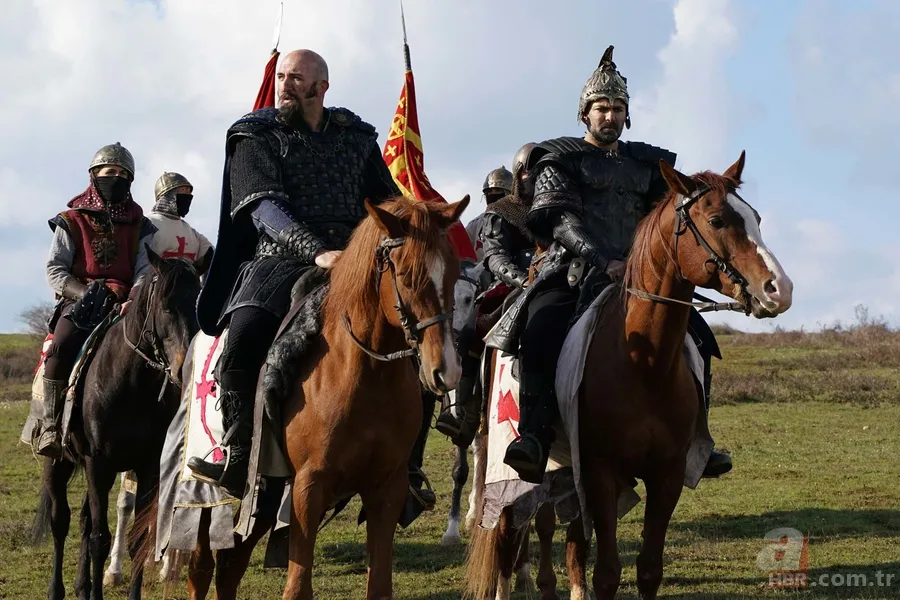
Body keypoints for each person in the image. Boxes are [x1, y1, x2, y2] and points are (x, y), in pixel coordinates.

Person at [188, 49, 437, 513]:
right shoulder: (254, 135)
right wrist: (315, 251)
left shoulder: (354, 137)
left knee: (417, 336)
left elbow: (387, 198)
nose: (284, 84)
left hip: (354, 260)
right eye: (281, 76)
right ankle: (238, 452)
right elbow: (262, 207)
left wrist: (426, 222)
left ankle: (409, 467)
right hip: (277, 260)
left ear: (321, 87)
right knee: (242, 337)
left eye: (295, 77)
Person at [499, 46, 731, 484]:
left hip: (642, 276)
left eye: (618, 108)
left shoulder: (646, 164)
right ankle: (532, 435)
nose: (610, 115)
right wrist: (603, 260)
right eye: (601, 107)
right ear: (584, 114)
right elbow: (562, 222)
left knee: (698, 335)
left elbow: (666, 224)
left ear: (628, 115)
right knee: (541, 326)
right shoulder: (558, 158)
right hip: (573, 271)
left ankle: (698, 438)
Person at [35, 142, 156, 459]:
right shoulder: (71, 219)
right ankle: (50, 425)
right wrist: (83, 292)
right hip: (81, 301)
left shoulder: (140, 223)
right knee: (60, 346)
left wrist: (134, 297)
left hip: (127, 304)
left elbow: (144, 268)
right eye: (109, 172)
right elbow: (55, 270)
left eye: (123, 174)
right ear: (94, 175)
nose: (116, 177)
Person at [436, 144, 540, 447]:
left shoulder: (551, 209)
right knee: (470, 324)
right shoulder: (495, 215)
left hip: (547, 277)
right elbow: (487, 258)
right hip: (501, 280)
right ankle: (460, 409)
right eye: (529, 170)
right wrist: (520, 280)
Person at [146, 172, 214, 276]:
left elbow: (213, 256)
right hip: (153, 287)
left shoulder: (192, 233)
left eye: (189, 192)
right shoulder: (148, 222)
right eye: (183, 190)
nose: (188, 196)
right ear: (167, 196)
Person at [466, 166, 513, 262]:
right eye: (489, 191)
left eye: (498, 190)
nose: (492, 194)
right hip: (482, 274)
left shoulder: (522, 220)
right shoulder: (475, 225)